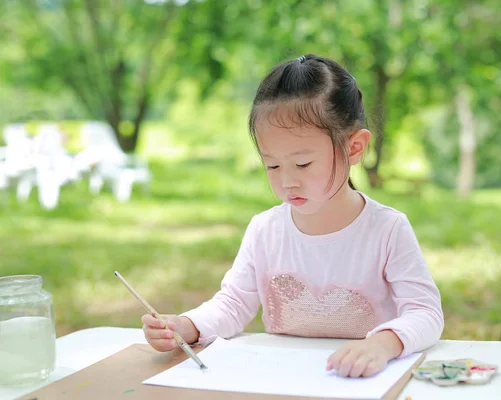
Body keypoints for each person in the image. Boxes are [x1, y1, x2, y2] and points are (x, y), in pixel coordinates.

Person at [141, 54, 444, 378]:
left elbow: (425, 312)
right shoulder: (265, 231)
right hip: (284, 381)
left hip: (361, 382)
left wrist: (382, 344)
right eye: (272, 165)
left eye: (302, 164)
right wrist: (186, 326)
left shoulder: (387, 229)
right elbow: (232, 304)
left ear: (354, 148)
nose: (287, 181)